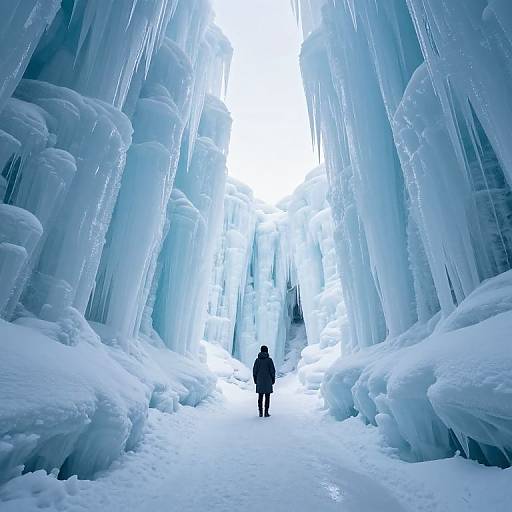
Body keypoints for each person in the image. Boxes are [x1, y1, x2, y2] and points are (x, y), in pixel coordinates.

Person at [252, 345, 276, 417]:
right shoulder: (269, 360)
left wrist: (255, 380)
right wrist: (273, 379)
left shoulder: (257, 360)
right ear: (267, 351)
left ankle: (260, 412)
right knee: (267, 397)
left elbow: (254, 371)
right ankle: (266, 412)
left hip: (259, 381)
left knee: (260, 397)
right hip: (268, 381)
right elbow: (272, 371)